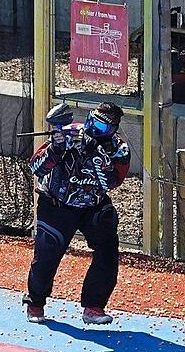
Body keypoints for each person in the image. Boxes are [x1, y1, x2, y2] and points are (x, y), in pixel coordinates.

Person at [23, 102, 131, 325]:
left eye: (101, 128)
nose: (93, 129)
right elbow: (36, 167)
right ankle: (35, 302)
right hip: (57, 204)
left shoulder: (118, 148)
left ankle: (93, 307)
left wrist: (96, 154)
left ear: (113, 130)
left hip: (93, 205)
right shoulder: (69, 134)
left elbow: (113, 182)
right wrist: (56, 149)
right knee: (46, 254)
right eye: (92, 122)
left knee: (107, 251)